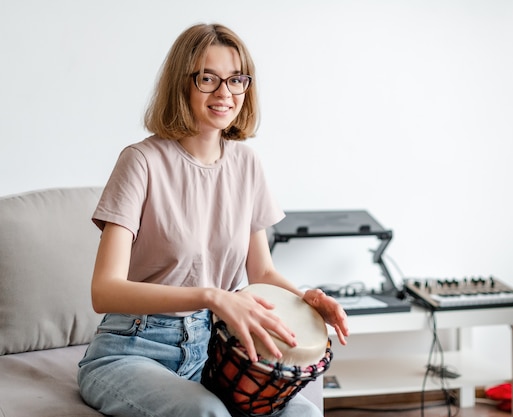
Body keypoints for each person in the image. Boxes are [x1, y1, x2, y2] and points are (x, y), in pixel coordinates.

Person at [77, 22, 349, 417]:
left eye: (236, 79)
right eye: (208, 78)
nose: (225, 93)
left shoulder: (247, 164)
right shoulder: (140, 162)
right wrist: (211, 296)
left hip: (210, 349)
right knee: (208, 414)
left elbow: (262, 273)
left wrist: (305, 300)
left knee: (303, 414)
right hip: (131, 349)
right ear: (182, 83)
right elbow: (104, 291)